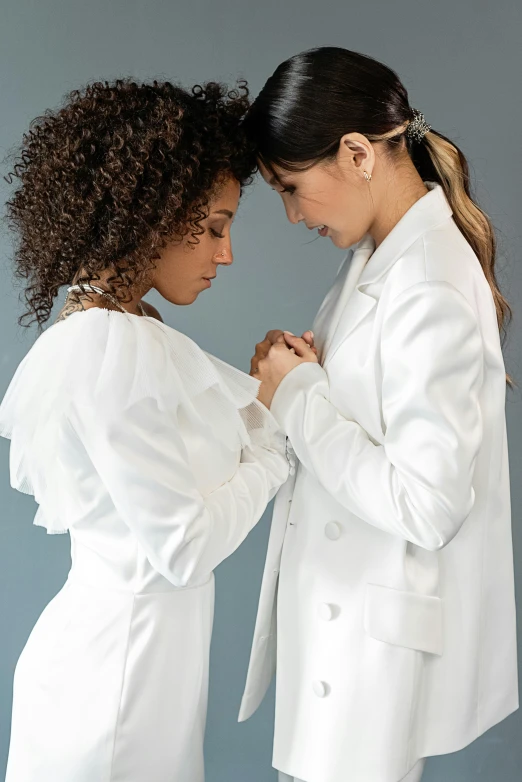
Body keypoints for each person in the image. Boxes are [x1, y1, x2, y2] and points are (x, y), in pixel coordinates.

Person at [0, 78, 292, 782]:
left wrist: (266, 405)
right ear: (152, 213)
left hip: (140, 674)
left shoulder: (124, 331)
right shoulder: (108, 348)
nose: (226, 255)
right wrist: (277, 437)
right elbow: (184, 546)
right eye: (215, 226)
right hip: (114, 690)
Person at [240, 47, 518, 782]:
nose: (293, 214)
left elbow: (428, 505)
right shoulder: (378, 257)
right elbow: (360, 411)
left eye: (292, 187)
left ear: (357, 153)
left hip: (369, 651)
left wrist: (301, 394)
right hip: (342, 629)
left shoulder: (427, 279)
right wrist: (299, 373)